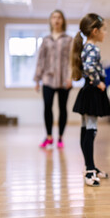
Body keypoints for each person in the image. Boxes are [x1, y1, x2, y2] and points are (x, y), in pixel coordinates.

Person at [70, 13, 110, 187]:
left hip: (88, 90)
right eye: (104, 30)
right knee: (91, 131)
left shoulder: (87, 46)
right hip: (92, 90)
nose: (105, 33)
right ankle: (89, 171)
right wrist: (98, 82)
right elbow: (88, 67)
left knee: (86, 129)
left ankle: (91, 166)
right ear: (95, 31)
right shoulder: (93, 48)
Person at [34, 10, 73, 149]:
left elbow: (71, 60)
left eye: (59, 17)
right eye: (54, 17)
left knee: (63, 108)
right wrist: (37, 79)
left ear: (63, 21)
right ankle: (49, 136)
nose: (56, 20)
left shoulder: (68, 39)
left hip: (64, 80)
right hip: (48, 79)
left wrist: (70, 77)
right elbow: (41, 60)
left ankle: (60, 138)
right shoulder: (46, 40)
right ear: (51, 21)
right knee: (47, 107)